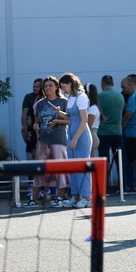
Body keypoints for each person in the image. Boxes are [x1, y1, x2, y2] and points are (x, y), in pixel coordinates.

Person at [28, 76, 69, 207]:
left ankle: (59, 197)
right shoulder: (40, 103)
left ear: (57, 87)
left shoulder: (64, 101)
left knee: (60, 169)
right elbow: (37, 121)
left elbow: (71, 120)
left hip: (59, 139)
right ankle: (33, 199)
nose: (48, 88)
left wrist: (59, 121)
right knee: (39, 169)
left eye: (50, 85)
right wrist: (35, 126)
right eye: (45, 86)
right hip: (43, 140)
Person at [60, 72, 93, 208]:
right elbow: (70, 116)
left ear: (70, 83)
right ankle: (76, 196)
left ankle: (86, 197)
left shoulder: (81, 97)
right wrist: (59, 113)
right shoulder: (70, 97)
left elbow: (84, 119)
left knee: (83, 166)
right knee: (73, 167)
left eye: (64, 86)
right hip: (72, 135)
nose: (63, 90)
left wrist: (75, 139)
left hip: (81, 136)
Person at [97, 75, 124, 189]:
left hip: (103, 132)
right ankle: (123, 186)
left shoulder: (99, 96)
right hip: (117, 132)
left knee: (104, 160)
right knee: (119, 160)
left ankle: (104, 187)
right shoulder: (120, 96)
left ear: (102, 83)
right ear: (113, 83)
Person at [121, 75, 136, 194]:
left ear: (131, 85)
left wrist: (120, 127)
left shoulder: (133, 98)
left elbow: (128, 115)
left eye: (124, 86)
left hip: (134, 133)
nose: (123, 90)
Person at [21, 79, 43, 160]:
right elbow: (24, 113)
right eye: (34, 86)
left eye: (37, 87)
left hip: (42, 127)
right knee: (30, 149)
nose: (35, 88)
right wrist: (24, 127)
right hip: (31, 127)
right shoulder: (28, 97)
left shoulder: (45, 97)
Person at [86, 83, 101, 158]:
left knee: (90, 161)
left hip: (92, 135)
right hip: (93, 135)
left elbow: (88, 125)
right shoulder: (94, 107)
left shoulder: (92, 108)